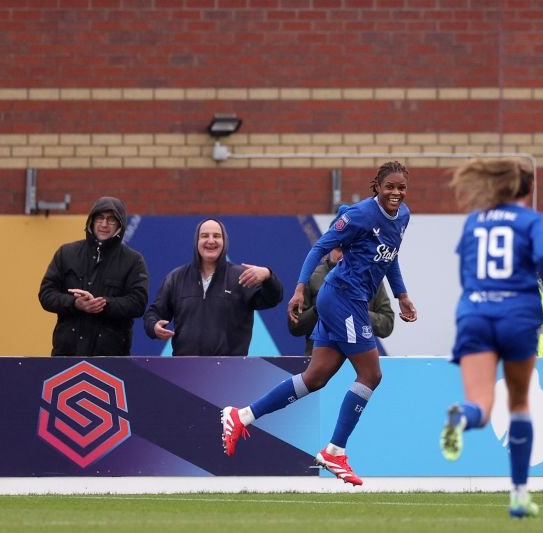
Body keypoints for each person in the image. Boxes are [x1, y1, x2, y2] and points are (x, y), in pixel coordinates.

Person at [220, 161, 418, 486]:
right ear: (377, 187)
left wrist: (402, 295)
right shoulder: (360, 215)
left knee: (315, 378)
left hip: (342, 298)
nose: (396, 193)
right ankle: (334, 451)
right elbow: (320, 247)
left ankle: (242, 416)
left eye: (401, 188)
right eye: (390, 187)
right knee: (371, 374)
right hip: (344, 298)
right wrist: (299, 288)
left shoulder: (403, 216)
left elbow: (389, 256)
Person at [439, 157, 543, 518]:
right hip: (516, 316)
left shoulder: (474, 221)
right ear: (527, 190)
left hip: (474, 315)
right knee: (518, 403)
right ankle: (518, 495)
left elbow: (464, 271)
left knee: (482, 407)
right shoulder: (532, 220)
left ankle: (462, 417)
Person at [143, 218, 283, 356]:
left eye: (217, 236)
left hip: (231, 371)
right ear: (196, 242)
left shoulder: (241, 277)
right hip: (185, 370)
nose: (211, 241)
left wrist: (268, 276)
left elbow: (272, 299)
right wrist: (153, 327)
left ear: (224, 242)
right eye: (204, 236)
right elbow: (154, 313)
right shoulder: (176, 278)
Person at [39, 196, 149, 356]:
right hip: (67, 353)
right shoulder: (66, 253)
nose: (104, 224)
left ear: (120, 224)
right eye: (100, 218)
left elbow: (138, 303)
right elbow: (46, 294)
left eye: (111, 219)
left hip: (110, 357)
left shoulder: (133, 260)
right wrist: (75, 303)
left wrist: (104, 304)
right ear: (91, 220)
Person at [288, 209, 395, 356]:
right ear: (331, 247)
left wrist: (357, 311)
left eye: (351, 248)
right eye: (339, 248)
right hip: (318, 360)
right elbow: (294, 326)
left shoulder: (371, 276)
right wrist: (320, 308)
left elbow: (387, 324)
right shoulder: (312, 277)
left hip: (358, 359)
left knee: (371, 376)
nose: (343, 255)